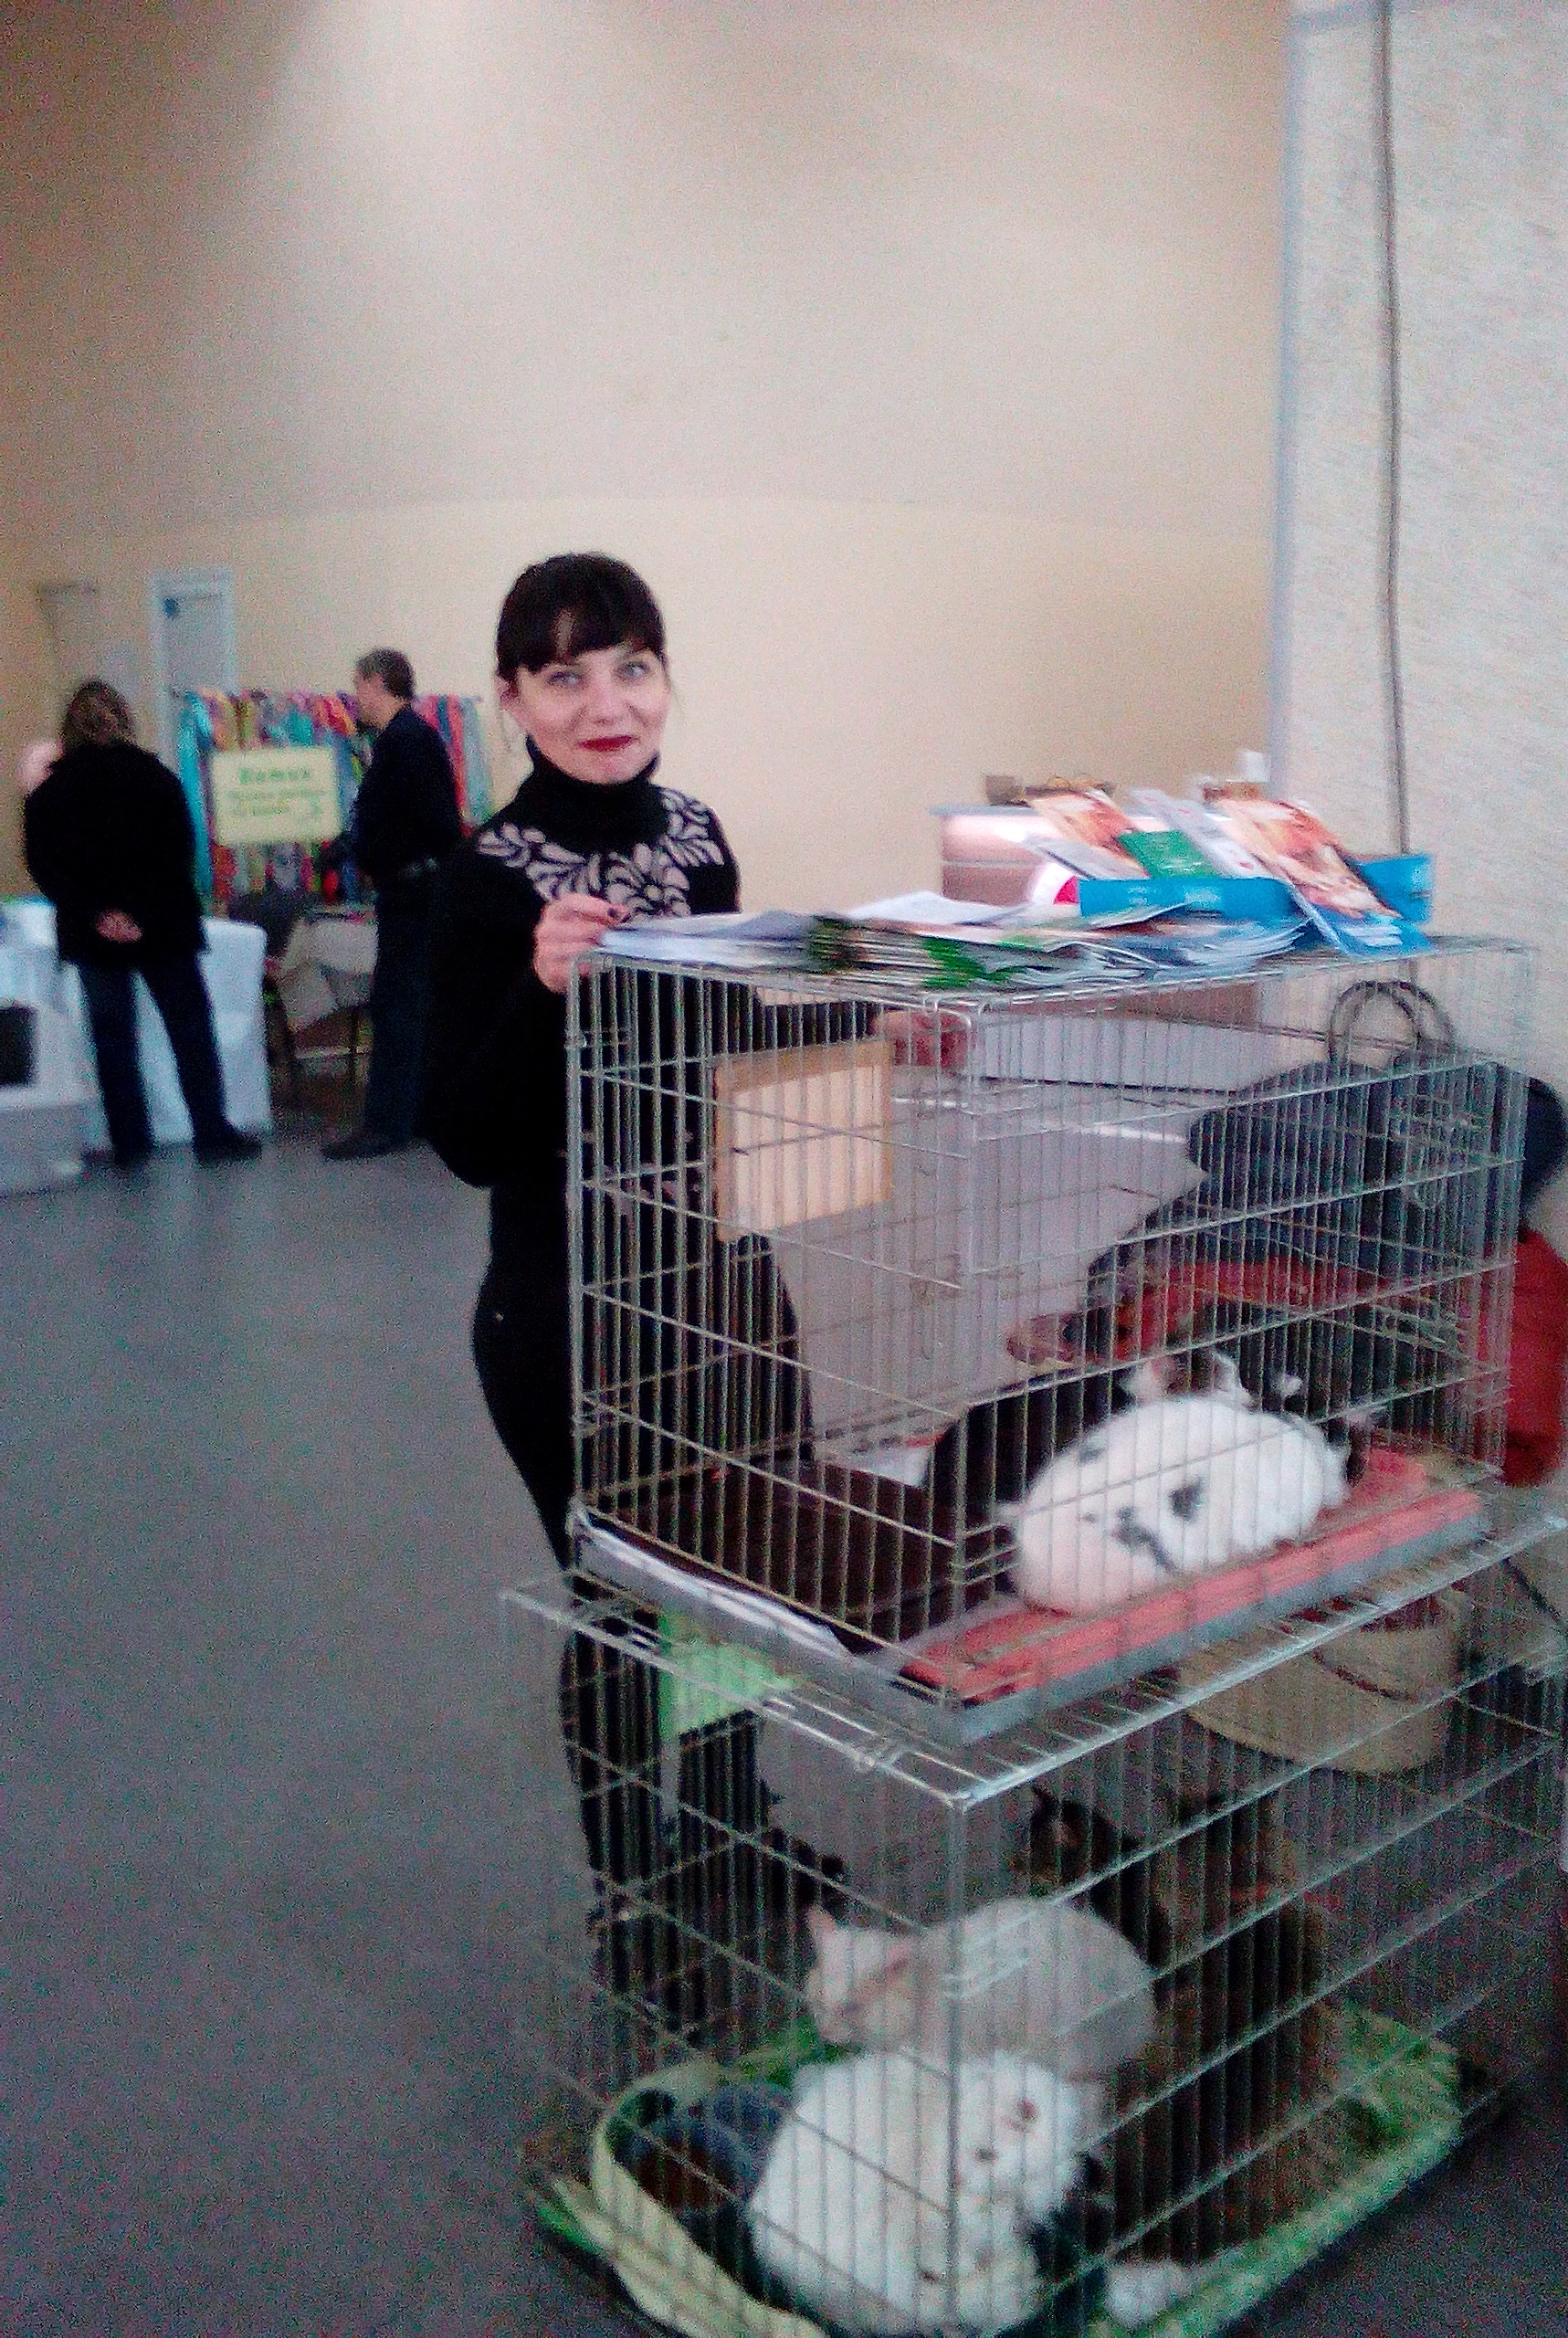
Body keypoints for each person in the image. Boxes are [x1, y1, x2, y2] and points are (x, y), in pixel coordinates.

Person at [424, 554, 841, 2012]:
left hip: (720, 1276)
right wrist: (542, 990)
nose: (606, 703)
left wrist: (874, 1022)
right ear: (511, 698)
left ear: (666, 678)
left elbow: (714, 1051)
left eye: (633, 667)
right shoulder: (485, 880)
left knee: (740, 1577)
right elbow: (465, 1139)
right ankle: (629, 1885)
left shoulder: (697, 837)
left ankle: (725, 1819)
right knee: (620, 1595)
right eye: (566, 675)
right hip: (563, 1301)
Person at [22, 680, 261, 1170]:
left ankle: (131, 1144)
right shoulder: (156, 778)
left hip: (93, 932)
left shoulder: (49, 795)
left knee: (113, 1038)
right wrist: (142, 915)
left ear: (69, 729)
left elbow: (47, 867)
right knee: (189, 1028)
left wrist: (99, 915)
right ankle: (211, 1132)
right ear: (124, 720)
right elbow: (178, 854)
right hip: (163, 923)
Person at [321, 648, 462, 1160]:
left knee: (397, 1004)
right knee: (411, 1004)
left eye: (358, 685)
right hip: (413, 888)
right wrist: (355, 845)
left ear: (378, 683)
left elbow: (430, 820)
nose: (354, 696)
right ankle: (416, 1112)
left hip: (414, 892)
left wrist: (365, 845)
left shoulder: (407, 741)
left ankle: (386, 1122)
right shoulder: (404, 739)